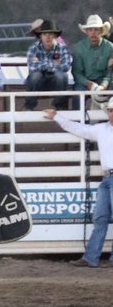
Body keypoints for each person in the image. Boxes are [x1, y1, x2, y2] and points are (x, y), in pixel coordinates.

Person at [43, 98, 113, 267]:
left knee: (101, 217)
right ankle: (91, 257)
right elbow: (79, 129)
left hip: (108, 177)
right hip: (107, 177)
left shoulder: (102, 130)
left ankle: (92, 257)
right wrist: (58, 117)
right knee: (100, 217)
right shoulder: (101, 129)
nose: (112, 113)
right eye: (111, 110)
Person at [22, 19, 72, 110]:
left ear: (55, 36)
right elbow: (32, 66)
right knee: (35, 76)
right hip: (39, 83)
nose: (48, 37)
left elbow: (66, 66)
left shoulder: (63, 48)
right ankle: (30, 105)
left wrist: (42, 64)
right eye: (45, 34)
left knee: (61, 76)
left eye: (51, 34)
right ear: (40, 36)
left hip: (56, 82)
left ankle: (60, 105)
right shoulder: (33, 48)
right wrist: (53, 65)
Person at [71, 14, 113, 99]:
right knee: (78, 94)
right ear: (86, 32)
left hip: (103, 81)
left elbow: (110, 72)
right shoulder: (78, 48)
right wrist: (89, 83)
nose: (93, 32)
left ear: (101, 31)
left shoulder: (110, 47)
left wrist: (103, 85)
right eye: (90, 29)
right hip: (84, 81)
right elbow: (77, 73)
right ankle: (78, 112)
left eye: (96, 29)